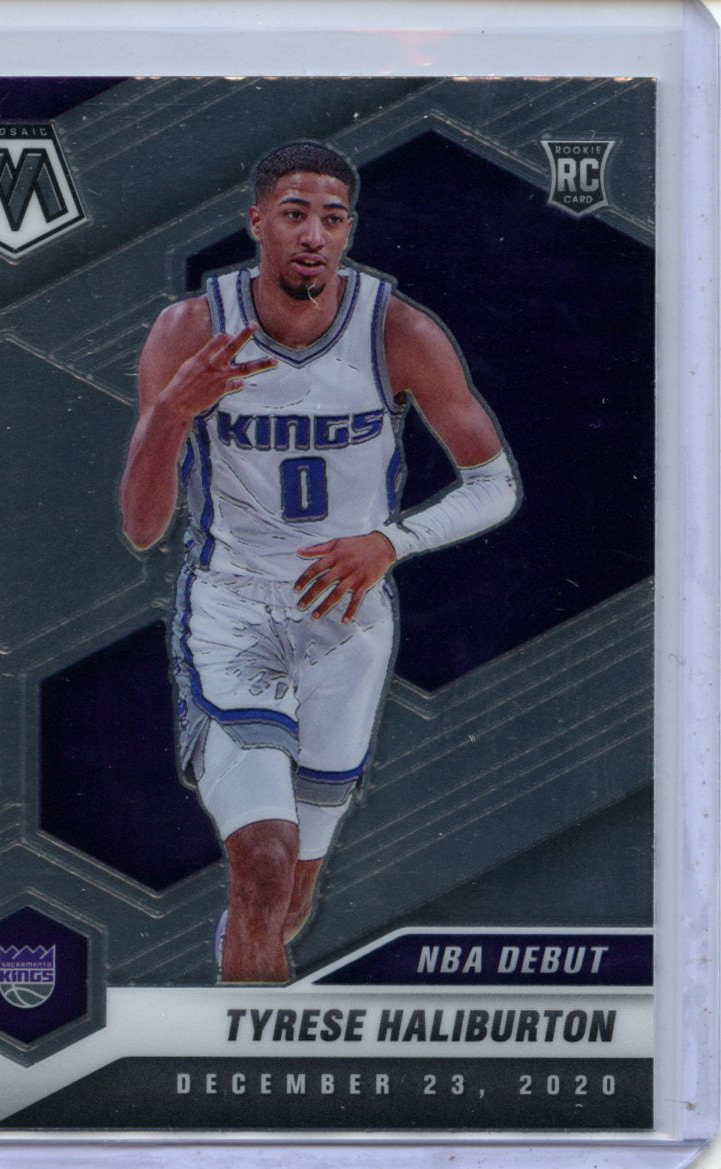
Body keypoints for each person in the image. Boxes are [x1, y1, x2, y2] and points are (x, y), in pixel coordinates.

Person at [121, 141, 519, 984]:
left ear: (348, 232)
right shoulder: (191, 331)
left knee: (292, 890)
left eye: (332, 219)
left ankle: (248, 948)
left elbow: (496, 484)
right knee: (266, 859)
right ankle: (246, 1049)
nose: (313, 234)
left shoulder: (399, 330)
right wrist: (173, 413)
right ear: (257, 221)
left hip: (348, 623)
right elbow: (143, 526)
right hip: (235, 610)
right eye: (295, 214)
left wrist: (392, 540)